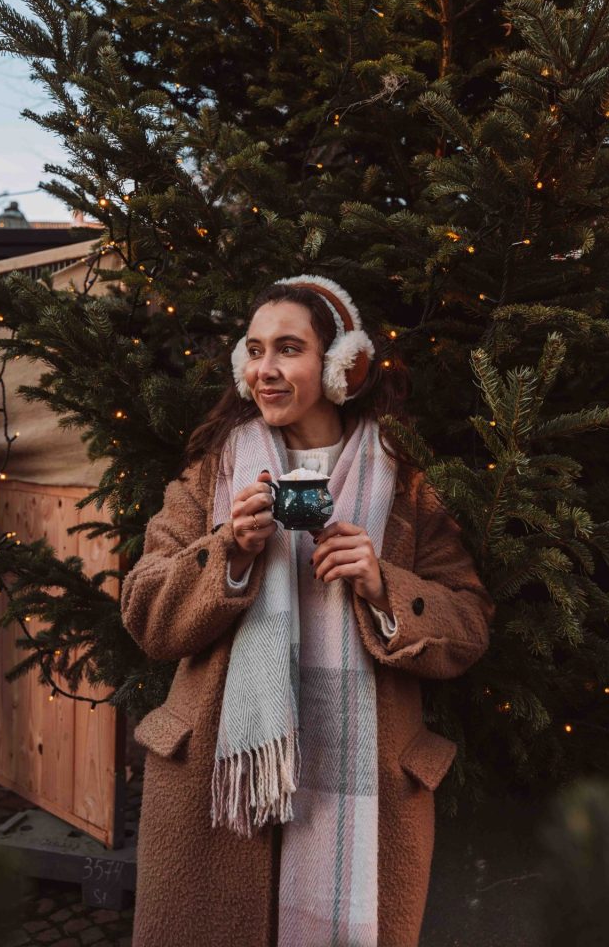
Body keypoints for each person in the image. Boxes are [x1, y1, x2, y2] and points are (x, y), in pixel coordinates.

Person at [120, 274, 496, 947]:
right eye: (254, 350)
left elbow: (467, 624)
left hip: (360, 790)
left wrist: (381, 582)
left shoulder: (405, 484)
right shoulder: (214, 473)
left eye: (287, 348)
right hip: (218, 785)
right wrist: (227, 550)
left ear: (341, 364)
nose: (264, 369)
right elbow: (145, 613)